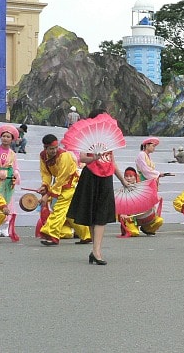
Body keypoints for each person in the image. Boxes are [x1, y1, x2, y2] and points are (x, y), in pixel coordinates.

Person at [66, 109, 129, 265]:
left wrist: (123, 180)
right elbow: (82, 158)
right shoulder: (87, 137)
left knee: (101, 215)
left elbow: (112, 163)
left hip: (106, 178)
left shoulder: (109, 141)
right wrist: (93, 157)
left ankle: (97, 250)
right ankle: (96, 250)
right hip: (90, 177)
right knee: (93, 215)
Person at [37, 134, 92, 246]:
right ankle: (86, 235)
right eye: (51, 149)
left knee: (59, 209)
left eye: (56, 148)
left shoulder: (64, 156)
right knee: (69, 213)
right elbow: (46, 173)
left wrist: (48, 195)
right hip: (60, 184)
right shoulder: (43, 156)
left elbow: (62, 178)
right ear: (45, 148)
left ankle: (52, 235)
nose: (54, 150)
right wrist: (45, 185)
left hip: (70, 184)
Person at [118, 167, 164, 237]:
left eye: (131, 176)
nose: (128, 178)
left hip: (144, 217)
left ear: (135, 177)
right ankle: (129, 227)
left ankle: (147, 229)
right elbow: (119, 207)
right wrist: (122, 214)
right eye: (126, 176)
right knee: (134, 233)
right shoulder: (121, 192)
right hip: (130, 218)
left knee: (159, 221)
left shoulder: (143, 188)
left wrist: (155, 199)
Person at [0, 124, 21, 237]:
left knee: (7, 203)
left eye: (8, 137)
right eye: (4, 136)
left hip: (7, 183)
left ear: (12, 139)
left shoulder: (13, 154)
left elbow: (15, 168)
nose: (5, 138)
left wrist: (15, 175)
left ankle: (5, 227)